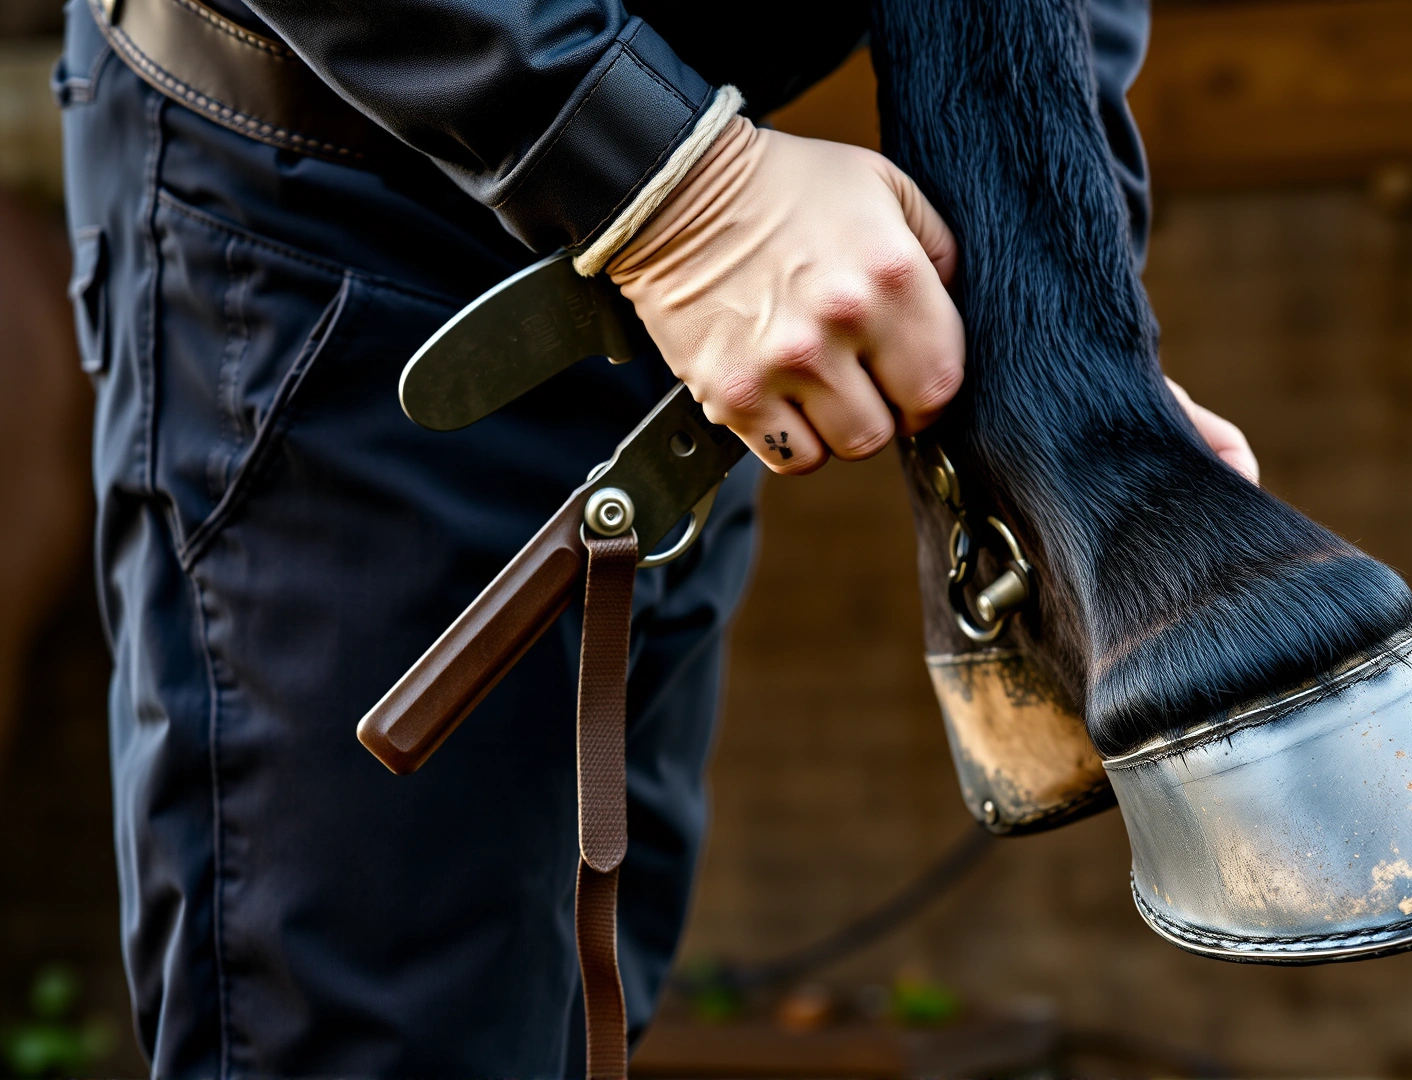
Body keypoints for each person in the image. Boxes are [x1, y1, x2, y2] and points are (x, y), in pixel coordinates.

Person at [56, 0, 1253, 1073]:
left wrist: (1062, 329)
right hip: (348, 209)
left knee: (587, 1010)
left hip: (704, 233)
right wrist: (676, 191)